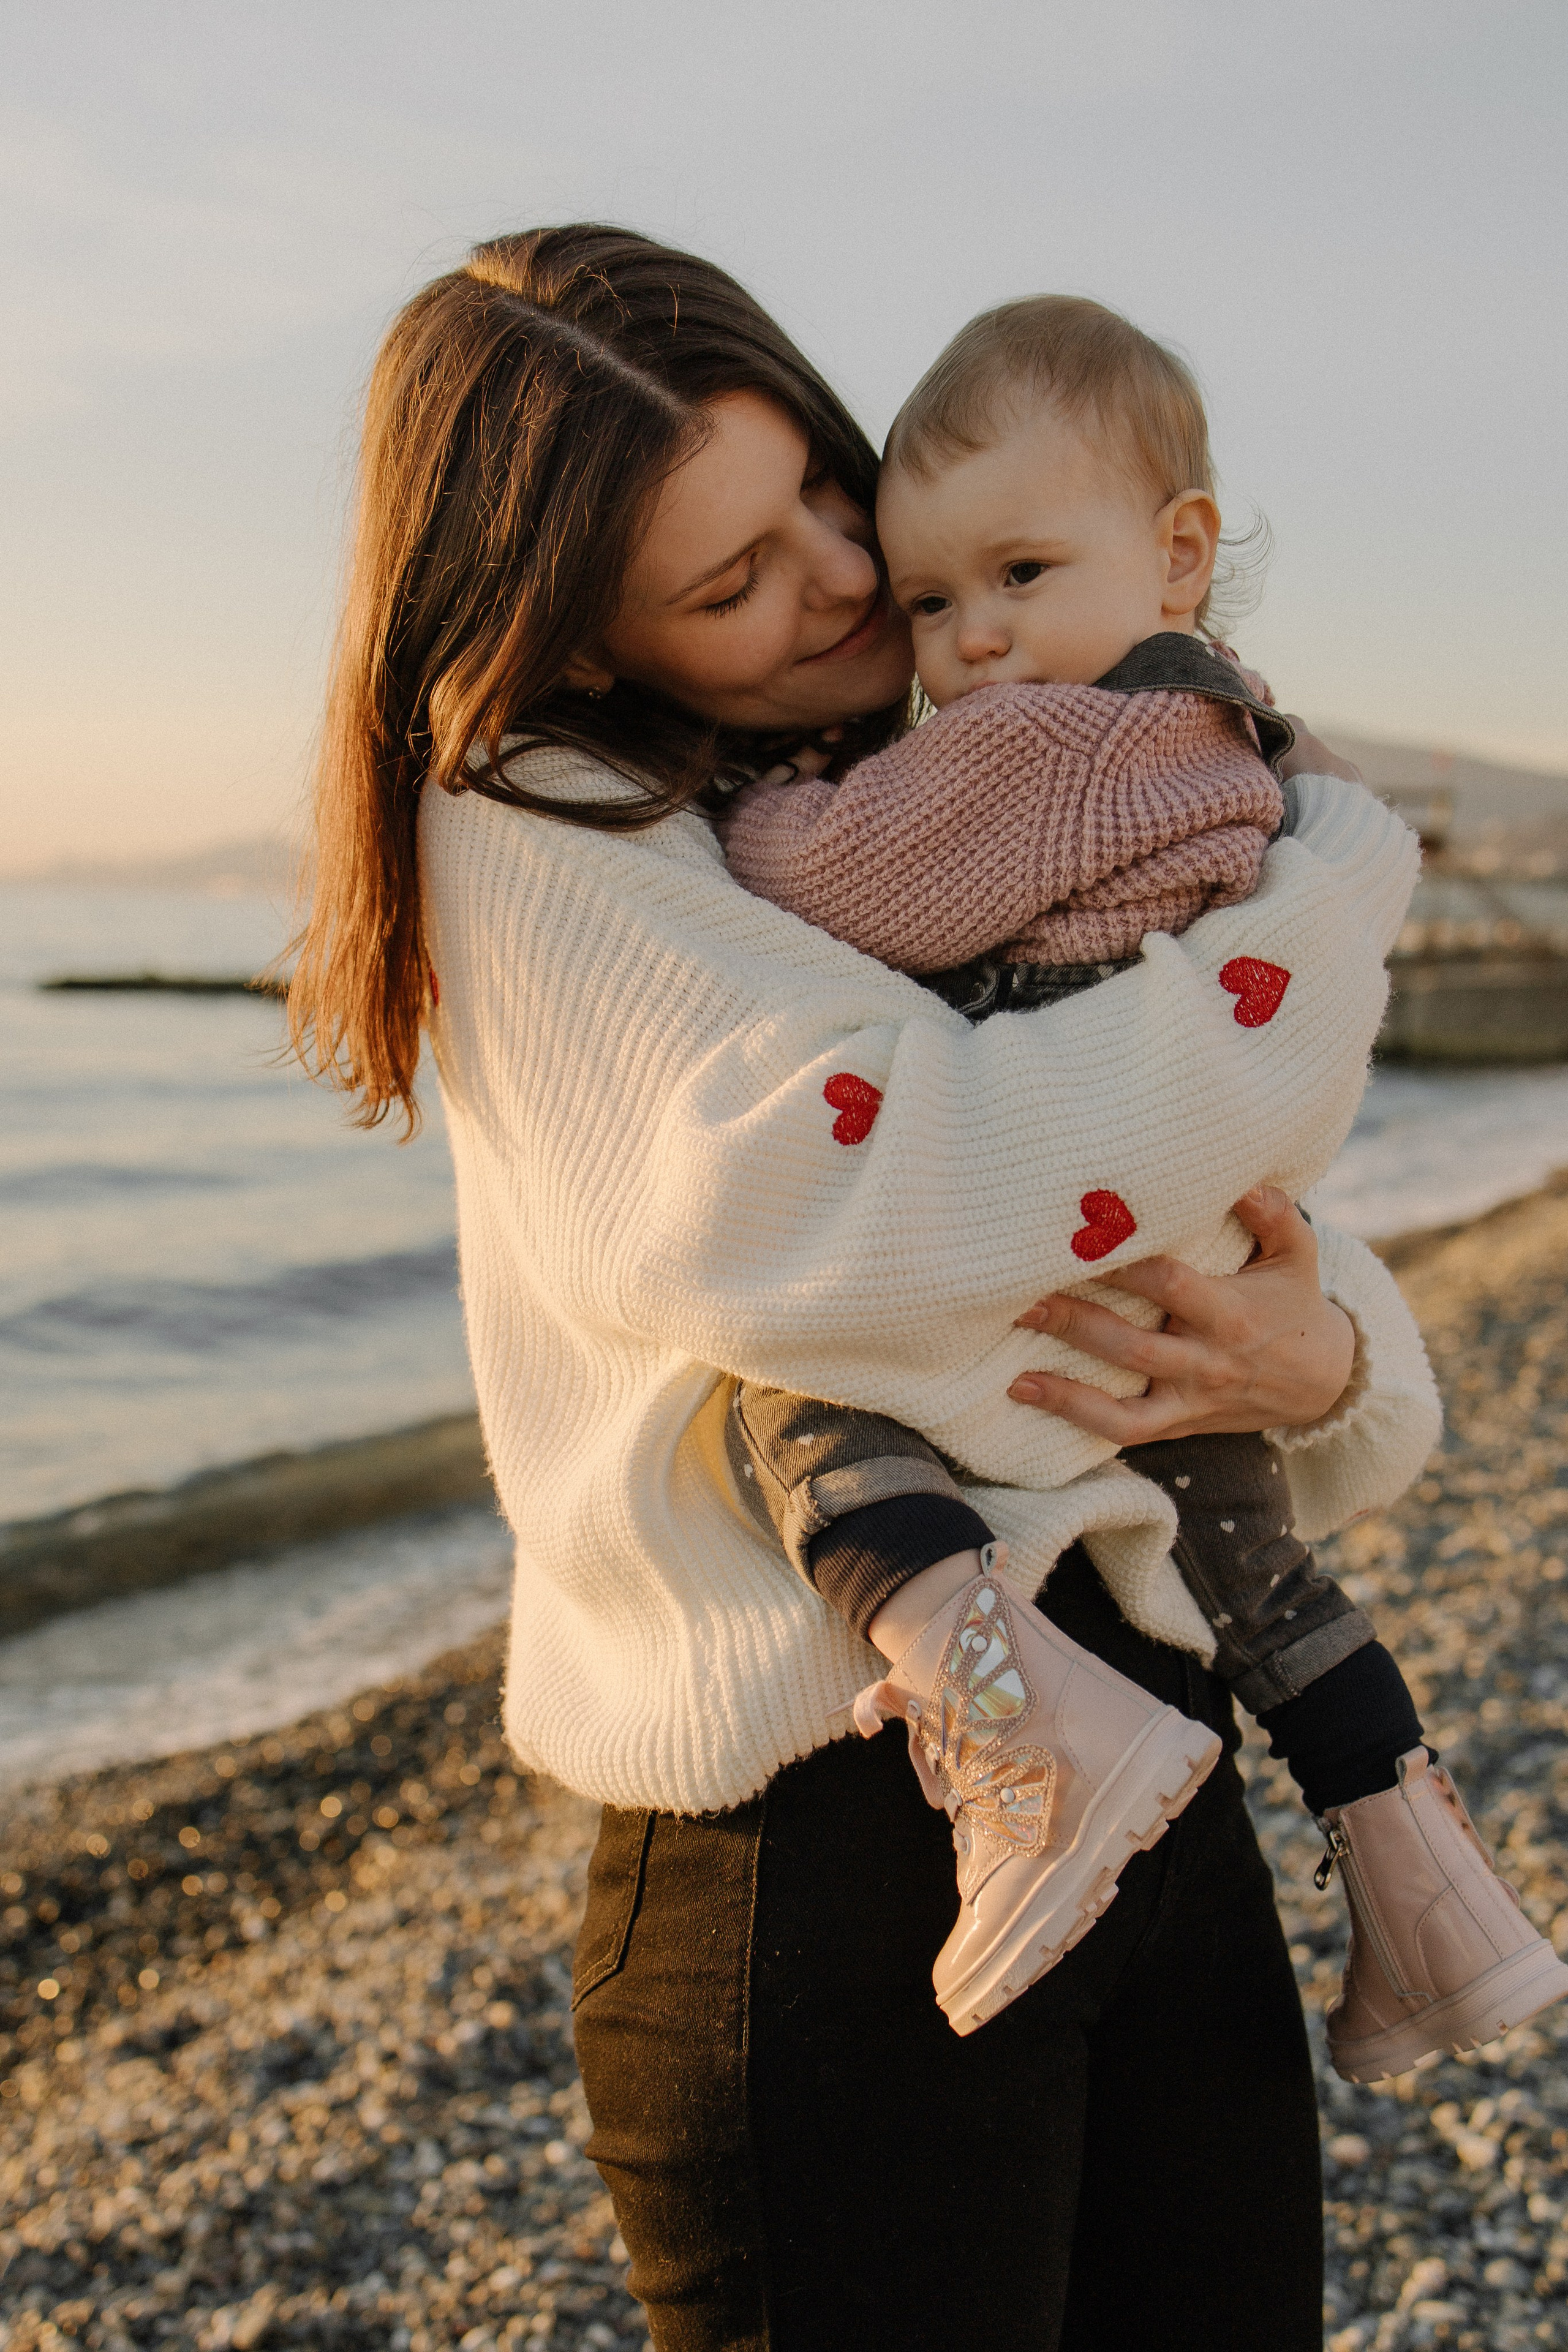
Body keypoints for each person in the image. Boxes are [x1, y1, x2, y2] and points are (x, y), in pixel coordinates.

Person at [291, 224, 1460, 2349]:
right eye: (730, 582)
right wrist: (1334, 901)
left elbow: (1162, 1196)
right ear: (566, 634)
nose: (839, 579)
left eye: (828, 494)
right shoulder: (540, 831)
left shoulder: (902, 787)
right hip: (824, 1837)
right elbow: (917, 1194)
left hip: (1156, 1751)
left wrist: (1332, 1350)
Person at [718, 292, 1568, 2076]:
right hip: (1187, 1246)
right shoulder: (1236, 732)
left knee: (790, 1397)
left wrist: (767, 814)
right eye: (937, 603)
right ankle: (1432, 1894)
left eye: (1023, 572)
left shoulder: (1049, 748)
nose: (977, 645)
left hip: (1048, 1210)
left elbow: (854, 890)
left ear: (1180, 553)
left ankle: (1023, 1729)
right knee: (1263, 1583)